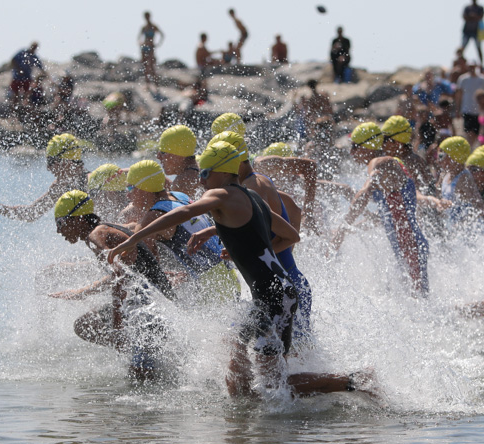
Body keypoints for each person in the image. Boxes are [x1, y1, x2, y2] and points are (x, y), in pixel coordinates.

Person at [106, 141, 374, 398]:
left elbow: (184, 213)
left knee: (273, 384)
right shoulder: (253, 197)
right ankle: (242, 414)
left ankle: (354, 380)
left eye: (205, 174)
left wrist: (133, 239)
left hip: (273, 299)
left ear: (223, 172)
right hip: (276, 293)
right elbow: (292, 235)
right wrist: (242, 248)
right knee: (234, 353)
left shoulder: (221, 193)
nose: (200, 181)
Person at [50, 190, 175, 381]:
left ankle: (131, 347)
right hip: (147, 301)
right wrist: (82, 292)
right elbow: (125, 270)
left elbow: (120, 274)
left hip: (151, 306)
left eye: (61, 223)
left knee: (140, 379)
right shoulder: (106, 229)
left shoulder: (95, 236)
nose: (59, 230)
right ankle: (131, 348)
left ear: (80, 219)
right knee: (85, 324)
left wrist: (118, 324)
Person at [206, 129, 315, 345]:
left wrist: (260, 253)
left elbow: (287, 233)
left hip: (284, 288)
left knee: (242, 347)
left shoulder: (250, 187)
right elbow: (293, 210)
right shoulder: (260, 180)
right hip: (291, 282)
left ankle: (352, 378)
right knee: (242, 347)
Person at [126, 160, 241, 298]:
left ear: (144, 188)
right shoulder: (179, 196)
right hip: (229, 274)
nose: (128, 195)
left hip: (213, 286)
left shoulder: (154, 215)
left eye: (131, 188)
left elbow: (131, 251)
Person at [332, 141, 430, 295]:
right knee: (405, 299)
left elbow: (363, 195)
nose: (352, 153)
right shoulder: (390, 169)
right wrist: (354, 227)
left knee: (418, 300)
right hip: (406, 245)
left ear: (368, 147)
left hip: (409, 246)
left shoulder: (380, 164)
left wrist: (342, 231)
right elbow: (385, 217)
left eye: (355, 147)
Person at [0, 133, 86, 221]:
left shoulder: (93, 183)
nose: (48, 168)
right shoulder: (60, 187)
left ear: (65, 161)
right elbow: (32, 213)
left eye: (51, 162)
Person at [375, 116, 436, 196]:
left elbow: (415, 197)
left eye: (385, 139)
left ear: (398, 142)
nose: (382, 144)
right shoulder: (409, 159)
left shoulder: (410, 163)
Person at [437, 136, 484, 224]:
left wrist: (462, 223)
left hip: (470, 231)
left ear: (454, 157)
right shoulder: (444, 175)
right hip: (454, 230)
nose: (438, 160)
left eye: (441, 156)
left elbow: (480, 208)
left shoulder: (463, 178)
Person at [155, 124, 201, 198]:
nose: (158, 157)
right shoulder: (196, 171)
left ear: (178, 155)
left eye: (163, 153)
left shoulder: (183, 182)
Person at [455, 63, 484, 145]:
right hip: (467, 109)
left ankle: (472, 149)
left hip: (478, 111)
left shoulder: (482, 79)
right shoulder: (463, 79)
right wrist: (457, 109)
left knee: (477, 133)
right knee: (469, 132)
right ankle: (469, 150)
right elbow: (459, 95)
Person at [10, 42, 44, 110]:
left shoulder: (34, 56)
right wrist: (18, 69)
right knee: (16, 94)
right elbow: (13, 60)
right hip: (17, 77)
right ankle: (13, 109)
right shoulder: (22, 52)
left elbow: (40, 67)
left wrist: (44, 74)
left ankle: (25, 108)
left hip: (27, 77)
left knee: (28, 93)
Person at [139, 11, 164, 88]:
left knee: (151, 65)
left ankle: (156, 84)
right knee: (145, 66)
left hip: (151, 47)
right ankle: (148, 84)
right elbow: (139, 38)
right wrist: (140, 43)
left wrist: (158, 44)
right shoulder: (143, 27)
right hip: (144, 47)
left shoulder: (154, 26)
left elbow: (162, 35)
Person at [461, 0, 484, 65]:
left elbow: (480, 17)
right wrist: (473, 17)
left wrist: (472, 17)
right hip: (467, 31)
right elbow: (464, 17)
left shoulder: (480, 8)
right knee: (462, 49)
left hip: (477, 31)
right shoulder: (467, 8)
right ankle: (460, 63)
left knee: (478, 48)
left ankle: (481, 64)